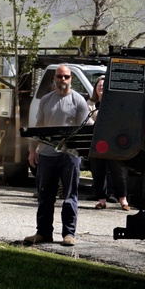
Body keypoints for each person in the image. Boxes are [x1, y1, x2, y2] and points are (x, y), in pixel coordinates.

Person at [24, 64, 89, 246]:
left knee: (69, 196)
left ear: (71, 79)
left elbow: (84, 129)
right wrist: (32, 150)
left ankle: (69, 234)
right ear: (54, 78)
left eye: (66, 77)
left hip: (70, 155)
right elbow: (39, 125)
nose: (63, 80)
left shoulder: (78, 101)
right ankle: (43, 233)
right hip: (46, 154)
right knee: (45, 196)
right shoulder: (46, 100)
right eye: (59, 76)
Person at [87, 75, 130, 211]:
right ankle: (101, 200)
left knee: (117, 172)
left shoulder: (114, 103)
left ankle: (123, 200)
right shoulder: (90, 104)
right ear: (95, 89)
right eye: (99, 86)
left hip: (112, 142)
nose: (101, 88)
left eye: (104, 86)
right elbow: (89, 122)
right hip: (96, 143)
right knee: (98, 172)